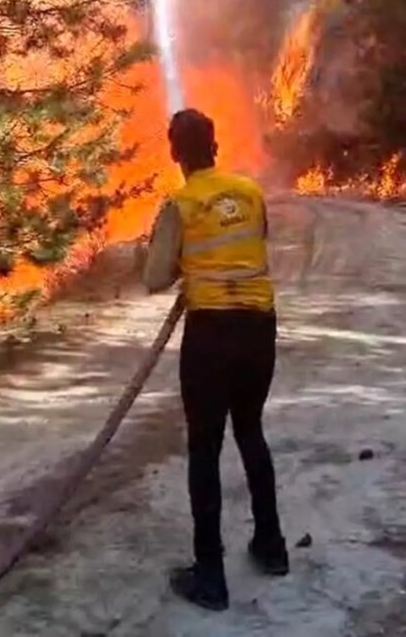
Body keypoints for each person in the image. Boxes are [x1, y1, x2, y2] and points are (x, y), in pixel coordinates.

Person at [143, 108, 288, 612]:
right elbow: (255, 242)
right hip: (259, 325)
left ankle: (210, 576)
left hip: (211, 333)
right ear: (216, 146)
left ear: (175, 152)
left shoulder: (180, 204)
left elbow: (154, 277)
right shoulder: (249, 192)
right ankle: (271, 547)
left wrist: (184, 263)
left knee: (204, 448)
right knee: (250, 430)